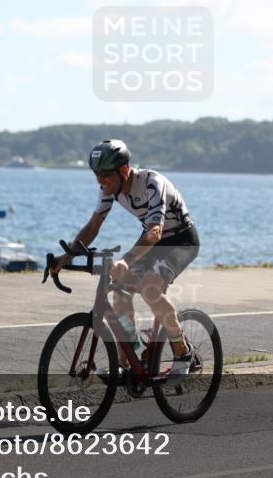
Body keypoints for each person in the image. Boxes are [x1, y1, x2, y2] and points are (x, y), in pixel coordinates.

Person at [52, 139, 200, 376]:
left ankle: (182, 349)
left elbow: (155, 232)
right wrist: (67, 256)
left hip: (180, 240)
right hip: (152, 241)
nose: (100, 181)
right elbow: (93, 226)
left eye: (105, 175)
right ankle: (128, 360)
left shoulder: (153, 183)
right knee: (120, 290)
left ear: (123, 170)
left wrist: (127, 260)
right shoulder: (109, 189)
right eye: (96, 175)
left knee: (150, 289)